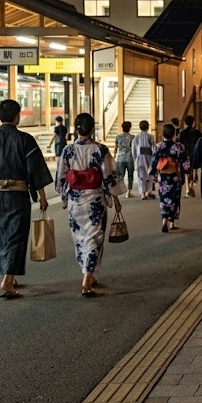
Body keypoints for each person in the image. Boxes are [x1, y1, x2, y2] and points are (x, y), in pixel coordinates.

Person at [0, 99, 53, 299]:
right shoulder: (26, 140)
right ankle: (7, 279)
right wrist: (42, 196)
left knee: (1, 236)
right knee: (17, 236)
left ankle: (9, 275)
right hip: (18, 195)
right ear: (17, 117)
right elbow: (35, 171)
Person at [56, 113, 125, 297]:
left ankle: (89, 273)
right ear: (92, 129)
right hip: (95, 200)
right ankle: (88, 277)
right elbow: (110, 177)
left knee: (80, 238)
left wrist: (65, 196)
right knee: (94, 237)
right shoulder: (101, 150)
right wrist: (115, 198)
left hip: (75, 202)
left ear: (76, 129)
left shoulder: (67, 151)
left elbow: (61, 179)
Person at [149, 123, 191, 232]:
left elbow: (154, 161)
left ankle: (164, 221)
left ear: (163, 134)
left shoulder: (158, 146)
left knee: (163, 199)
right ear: (174, 134)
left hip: (163, 176)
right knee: (175, 199)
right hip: (174, 177)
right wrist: (187, 171)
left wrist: (153, 174)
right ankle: (172, 223)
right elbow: (184, 161)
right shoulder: (178, 147)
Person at [178, 115, 202, 197]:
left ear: (185, 123)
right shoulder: (197, 133)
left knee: (186, 172)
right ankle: (192, 183)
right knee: (194, 169)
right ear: (193, 123)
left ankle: (188, 190)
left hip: (185, 154)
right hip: (195, 154)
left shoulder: (182, 133)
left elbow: (180, 144)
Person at [132, 120, 156, 200]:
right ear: (148, 127)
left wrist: (135, 158)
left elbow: (133, 149)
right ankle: (148, 192)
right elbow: (153, 148)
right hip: (149, 158)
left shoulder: (136, 137)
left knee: (141, 176)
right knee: (149, 175)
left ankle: (142, 193)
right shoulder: (150, 136)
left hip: (139, 158)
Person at [114, 121, 134, 198]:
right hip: (130, 157)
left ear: (122, 128)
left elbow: (116, 148)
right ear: (130, 128)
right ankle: (128, 192)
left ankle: (118, 191)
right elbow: (134, 148)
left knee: (120, 175)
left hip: (120, 158)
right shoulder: (132, 137)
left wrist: (114, 156)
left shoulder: (118, 137)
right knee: (130, 175)